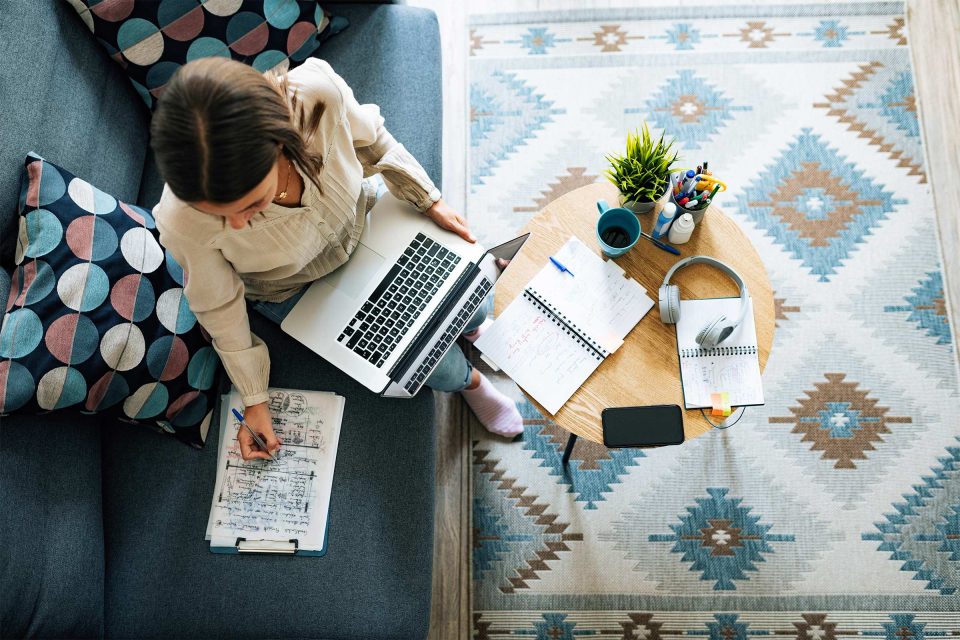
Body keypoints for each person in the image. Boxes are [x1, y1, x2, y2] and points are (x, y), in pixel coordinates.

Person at [151, 57, 523, 460]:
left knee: (475, 300)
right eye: (219, 214)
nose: (236, 227)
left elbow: (375, 141)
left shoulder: (317, 94)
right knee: (435, 368)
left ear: (280, 143)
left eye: (252, 205)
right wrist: (254, 397)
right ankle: (472, 385)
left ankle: (472, 330)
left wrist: (429, 201)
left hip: (367, 224)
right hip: (293, 289)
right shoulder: (180, 221)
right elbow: (219, 304)